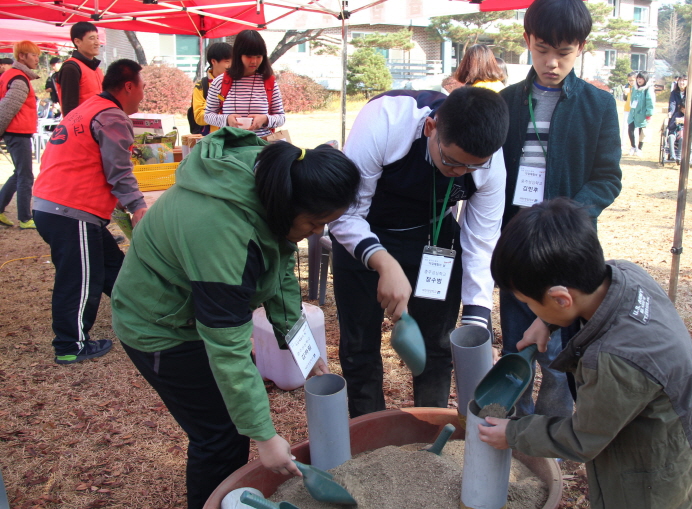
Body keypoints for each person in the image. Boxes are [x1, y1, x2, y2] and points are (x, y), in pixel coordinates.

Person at [111, 132, 361, 509]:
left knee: (228, 424)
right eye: (314, 223)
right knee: (219, 435)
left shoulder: (279, 180)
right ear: (287, 207)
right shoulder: (224, 234)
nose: (318, 233)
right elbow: (228, 348)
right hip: (159, 324)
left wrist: (300, 346)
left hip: (193, 309)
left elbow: (280, 270)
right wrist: (265, 436)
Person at [478, 198, 692, 509]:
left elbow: (583, 438)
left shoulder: (614, 360)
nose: (527, 309)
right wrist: (546, 320)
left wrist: (514, 433)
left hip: (658, 478)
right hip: (686, 428)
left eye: (528, 302)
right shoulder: (625, 273)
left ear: (561, 299)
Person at [329, 86, 509, 418]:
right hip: (365, 234)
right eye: (451, 162)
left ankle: (429, 428)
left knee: (437, 345)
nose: (459, 173)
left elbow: (481, 243)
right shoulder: (384, 120)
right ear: (431, 128)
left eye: (471, 168)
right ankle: (370, 435)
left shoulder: (490, 161)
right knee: (359, 348)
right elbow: (346, 213)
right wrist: (383, 263)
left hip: (435, 239)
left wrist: (476, 319)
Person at [497, 0, 622, 417]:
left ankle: (551, 434)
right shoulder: (507, 102)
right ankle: (516, 432)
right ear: (527, 41)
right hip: (516, 245)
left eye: (564, 52)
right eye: (542, 49)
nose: (552, 63)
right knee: (516, 344)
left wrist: (569, 219)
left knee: (559, 353)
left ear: (581, 47)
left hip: (566, 250)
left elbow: (607, 178)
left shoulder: (598, 105)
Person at [31, 59, 148, 364]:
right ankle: (71, 345)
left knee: (112, 267)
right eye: (143, 86)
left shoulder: (87, 108)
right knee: (81, 278)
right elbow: (119, 171)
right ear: (128, 86)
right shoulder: (112, 116)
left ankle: (142, 315)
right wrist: (137, 206)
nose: (143, 93)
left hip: (52, 203)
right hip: (70, 209)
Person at [204, 30, 285, 137]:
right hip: (231, 146)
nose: (254, 61)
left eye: (258, 56)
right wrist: (227, 119)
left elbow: (281, 117)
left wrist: (264, 119)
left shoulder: (269, 82)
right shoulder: (220, 81)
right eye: (249, 56)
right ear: (238, 55)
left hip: (261, 146)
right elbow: (208, 115)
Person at [0, 41, 41, 230]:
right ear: (22, 56)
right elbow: (7, 108)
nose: (37, 59)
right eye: (33, 55)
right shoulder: (18, 79)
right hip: (17, 132)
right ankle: (25, 218)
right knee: (25, 175)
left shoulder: (14, 76)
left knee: (19, 173)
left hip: (17, 132)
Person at [57, 21, 104, 116]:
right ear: (78, 42)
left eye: (97, 38)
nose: (97, 42)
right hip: (82, 125)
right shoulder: (71, 68)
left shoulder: (96, 68)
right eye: (92, 38)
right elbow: (69, 106)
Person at [189, 42, 232, 135]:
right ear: (213, 61)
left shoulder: (238, 83)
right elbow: (199, 117)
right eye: (227, 61)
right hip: (213, 139)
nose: (231, 65)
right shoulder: (201, 86)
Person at [627, 71, 654, 157]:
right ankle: (633, 146)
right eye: (638, 78)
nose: (639, 80)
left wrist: (649, 114)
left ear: (645, 79)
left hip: (642, 113)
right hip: (633, 112)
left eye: (641, 78)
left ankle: (639, 148)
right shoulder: (634, 88)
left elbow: (650, 102)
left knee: (642, 132)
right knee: (630, 128)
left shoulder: (648, 89)